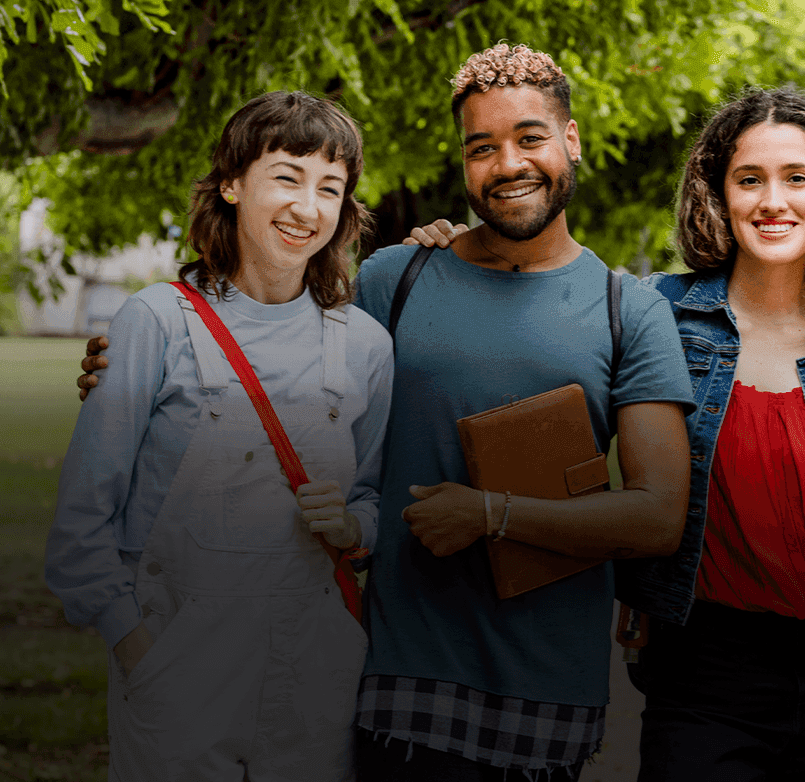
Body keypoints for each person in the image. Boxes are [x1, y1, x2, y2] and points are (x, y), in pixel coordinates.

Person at [79, 44, 697, 781]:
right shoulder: (393, 279)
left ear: (570, 142)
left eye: (529, 138)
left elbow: (658, 517)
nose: (507, 164)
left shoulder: (629, 310)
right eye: (481, 147)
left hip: (545, 688)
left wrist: (489, 512)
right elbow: (260, 361)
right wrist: (132, 375)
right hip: (390, 681)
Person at [412, 85, 805, 781]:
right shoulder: (656, 312)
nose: (771, 201)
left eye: (796, 179)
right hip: (704, 671)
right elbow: (541, 332)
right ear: (717, 195)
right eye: (748, 180)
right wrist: (459, 253)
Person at [46, 90, 393, 780]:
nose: (307, 207)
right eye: (287, 177)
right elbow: (81, 524)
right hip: (176, 669)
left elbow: (374, 503)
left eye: (331, 187)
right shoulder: (155, 321)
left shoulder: (366, 346)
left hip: (317, 672)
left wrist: (352, 524)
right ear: (232, 184)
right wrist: (137, 649)